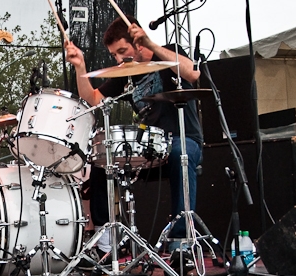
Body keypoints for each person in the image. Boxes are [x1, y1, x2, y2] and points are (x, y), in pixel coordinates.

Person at [64, 18, 203, 252]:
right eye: (114, 55)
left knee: (181, 153)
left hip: (183, 138)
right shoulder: (126, 74)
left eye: (122, 51)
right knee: (104, 157)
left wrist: (151, 43)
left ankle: (181, 240)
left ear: (138, 43)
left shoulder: (168, 54)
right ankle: (106, 236)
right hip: (147, 145)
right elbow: (93, 100)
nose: (119, 60)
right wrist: (81, 67)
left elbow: (192, 74)